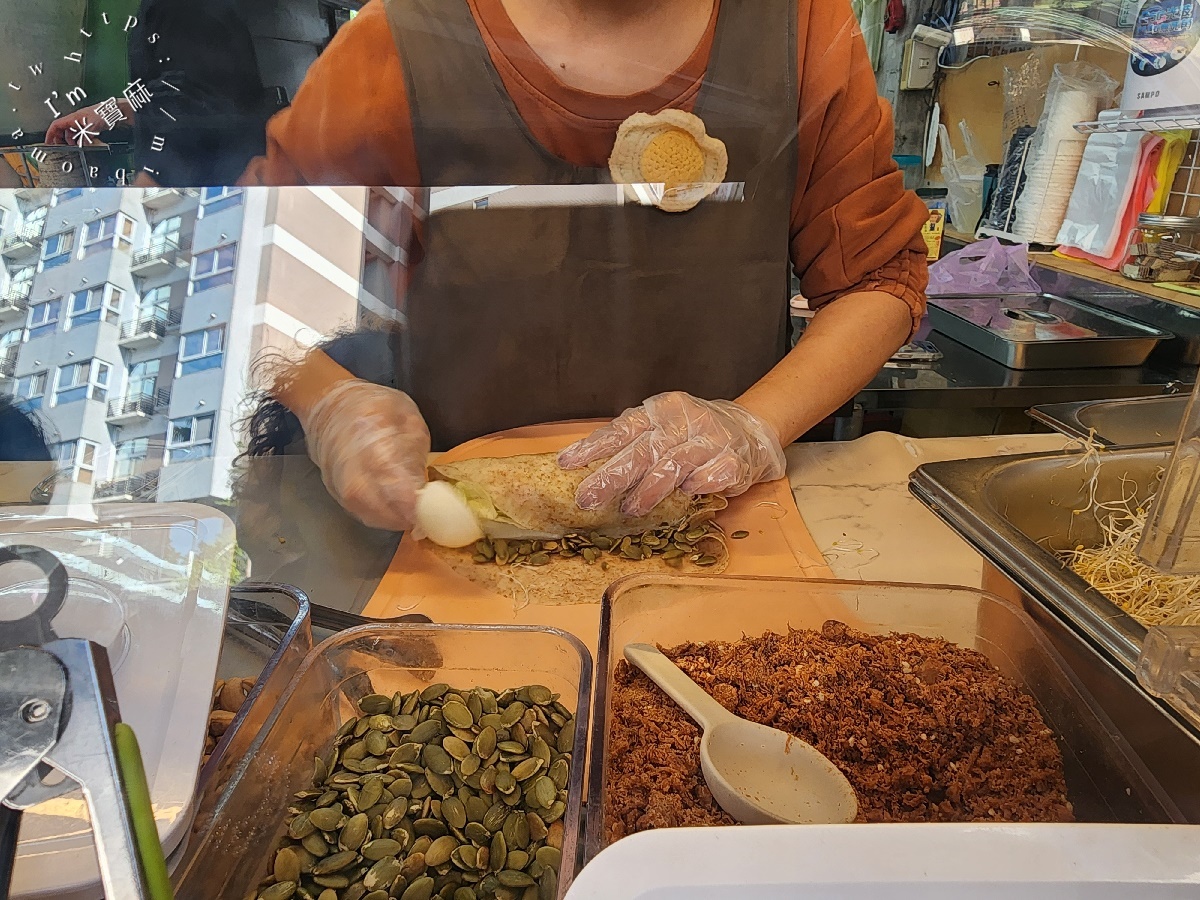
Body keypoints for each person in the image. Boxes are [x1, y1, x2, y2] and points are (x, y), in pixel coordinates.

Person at [240, 0, 930, 532]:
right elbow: (260, 278)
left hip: (721, 523)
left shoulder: (800, 29)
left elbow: (876, 278)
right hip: (464, 535)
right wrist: (333, 402)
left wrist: (753, 427)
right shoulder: (400, 43)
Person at [45, 0, 274, 186]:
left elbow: (192, 106)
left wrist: (137, 202)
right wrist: (112, 110)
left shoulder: (182, 7)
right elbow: (181, 90)